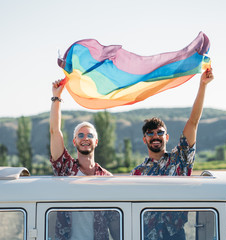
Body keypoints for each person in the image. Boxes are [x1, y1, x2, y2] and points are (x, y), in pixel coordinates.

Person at [131, 68, 214, 240]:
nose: (155, 136)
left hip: (176, 235)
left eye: (160, 133)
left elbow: (193, 122)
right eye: (150, 133)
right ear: (144, 139)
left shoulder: (180, 161)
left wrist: (203, 85)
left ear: (166, 137)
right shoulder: (136, 173)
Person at [50, 79, 119, 240]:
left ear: (96, 141)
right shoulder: (65, 168)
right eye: (80, 135)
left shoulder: (107, 179)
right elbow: (55, 131)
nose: (85, 138)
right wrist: (56, 97)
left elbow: (114, 221)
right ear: (74, 142)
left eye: (90, 135)